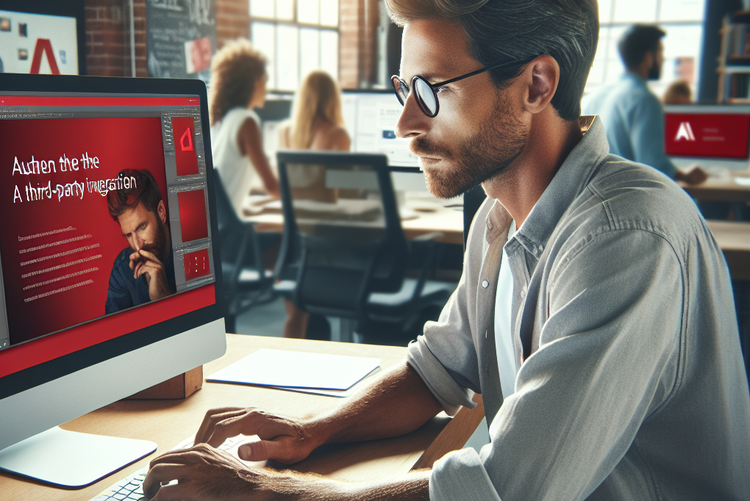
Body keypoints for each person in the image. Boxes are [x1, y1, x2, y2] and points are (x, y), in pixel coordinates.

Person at [144, 1, 750, 500]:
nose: (406, 120)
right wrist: (310, 431)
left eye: (431, 90)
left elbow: (507, 490)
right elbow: (437, 370)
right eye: (406, 87)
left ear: (536, 85)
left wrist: (263, 493)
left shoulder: (624, 237)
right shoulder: (499, 217)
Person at [582, 24, 707, 185]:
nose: (663, 59)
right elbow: (654, 168)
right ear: (648, 58)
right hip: (629, 197)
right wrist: (684, 176)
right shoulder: (644, 100)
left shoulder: (594, 97)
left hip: (594, 195)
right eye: (661, 52)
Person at [277, 70, 351, 339]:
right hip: (324, 243)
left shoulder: (285, 132)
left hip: (292, 245)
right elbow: (338, 194)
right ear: (332, 99)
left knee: (296, 315)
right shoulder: (337, 135)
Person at [209, 39, 280, 217]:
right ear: (256, 82)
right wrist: (303, 197)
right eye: (265, 81)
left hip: (221, 227)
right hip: (233, 237)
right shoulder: (247, 121)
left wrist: (262, 205)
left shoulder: (226, 120)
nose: (267, 89)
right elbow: (272, 186)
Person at [105, 168, 175, 314]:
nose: (137, 246)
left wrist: (165, 300)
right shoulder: (122, 270)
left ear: (161, 212)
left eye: (141, 227)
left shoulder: (191, 248)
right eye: (128, 235)